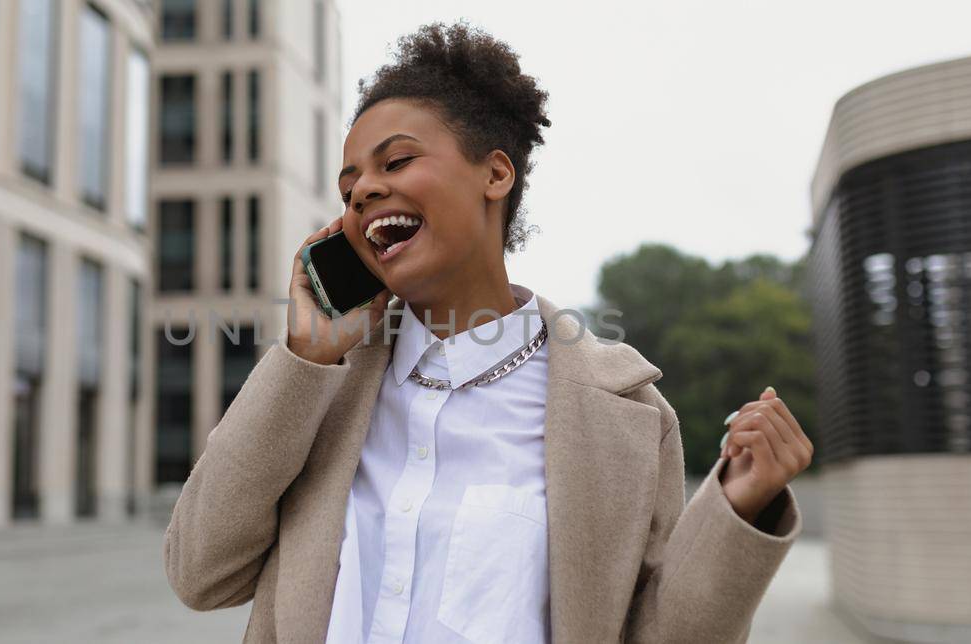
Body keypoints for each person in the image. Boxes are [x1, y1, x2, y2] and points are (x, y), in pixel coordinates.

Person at [164, 20, 813, 643]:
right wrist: (303, 360)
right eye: (349, 184)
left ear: (495, 174)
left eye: (395, 162)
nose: (363, 191)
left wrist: (738, 508)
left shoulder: (628, 414)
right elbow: (200, 574)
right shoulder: (320, 388)